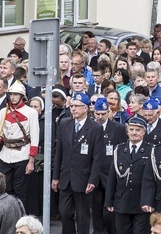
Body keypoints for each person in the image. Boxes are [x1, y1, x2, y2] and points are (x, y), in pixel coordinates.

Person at [51, 92, 103, 234]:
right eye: (72, 106)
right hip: (66, 176)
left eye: (77, 106)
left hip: (83, 178)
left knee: (82, 215)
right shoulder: (64, 123)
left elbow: (97, 157)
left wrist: (93, 180)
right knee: (64, 211)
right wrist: (56, 176)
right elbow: (59, 152)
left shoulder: (95, 128)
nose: (73, 109)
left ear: (85, 108)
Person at [0, 81, 39, 205]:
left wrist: (31, 161)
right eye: (11, 94)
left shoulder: (31, 112)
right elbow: (0, 133)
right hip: (5, 154)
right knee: (5, 189)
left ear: (22, 96)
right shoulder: (4, 111)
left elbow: (35, 138)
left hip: (22, 154)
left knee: (20, 191)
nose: (13, 97)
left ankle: (19, 218)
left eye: (16, 94)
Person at [105, 115, 152, 234]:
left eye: (138, 130)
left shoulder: (151, 150)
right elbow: (112, 178)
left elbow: (153, 180)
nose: (134, 133)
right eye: (131, 129)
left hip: (141, 203)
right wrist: (109, 200)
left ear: (144, 132)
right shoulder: (119, 149)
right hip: (122, 202)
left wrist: (150, 201)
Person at [92, 98, 127, 234]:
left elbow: (122, 151)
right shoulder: (91, 127)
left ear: (109, 113)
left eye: (103, 114)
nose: (100, 117)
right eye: (97, 114)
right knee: (96, 208)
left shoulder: (118, 129)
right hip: (95, 174)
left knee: (110, 209)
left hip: (110, 174)